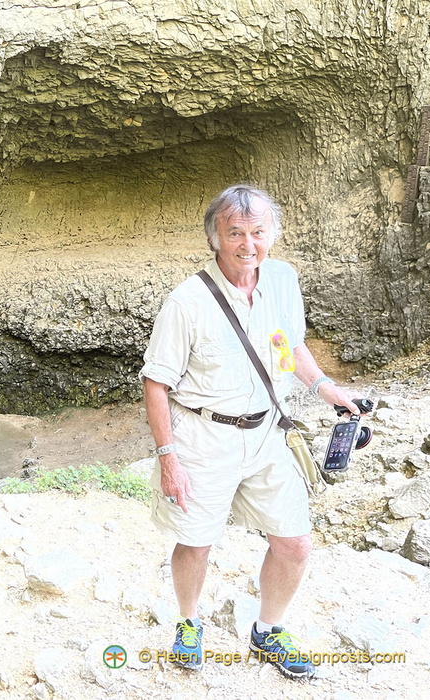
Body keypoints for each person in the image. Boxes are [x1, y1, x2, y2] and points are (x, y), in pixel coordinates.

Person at [139, 184, 361, 679]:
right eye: (235, 232)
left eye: (257, 232)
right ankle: (189, 622)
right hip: (203, 437)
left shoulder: (282, 279)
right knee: (196, 541)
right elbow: (156, 383)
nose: (247, 244)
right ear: (214, 238)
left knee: (295, 542)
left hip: (267, 433)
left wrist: (325, 388)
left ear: (272, 235)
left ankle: (268, 630)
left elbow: (288, 344)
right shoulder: (187, 301)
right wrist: (168, 457)